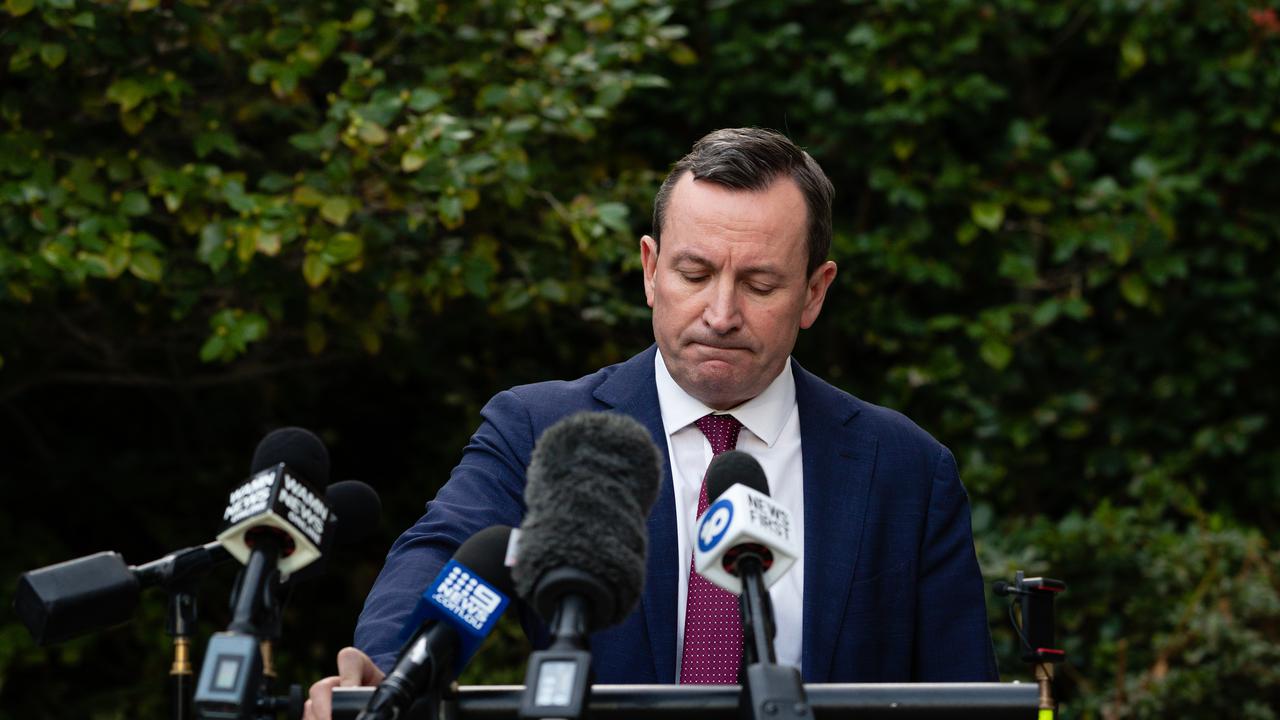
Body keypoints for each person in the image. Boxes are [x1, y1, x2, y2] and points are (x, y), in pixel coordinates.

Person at [303, 128, 998, 719]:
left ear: (814, 293)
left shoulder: (905, 470)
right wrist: (384, 668)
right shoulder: (541, 429)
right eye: (694, 274)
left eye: (759, 285)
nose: (720, 314)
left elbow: (964, 696)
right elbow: (447, 555)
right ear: (649, 269)